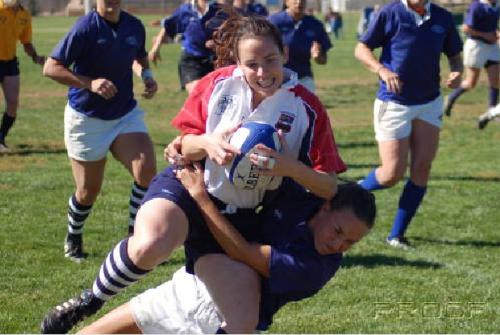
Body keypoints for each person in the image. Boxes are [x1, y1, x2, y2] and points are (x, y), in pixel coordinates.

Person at [40, 13, 346, 334]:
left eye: (270, 60)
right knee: (151, 243)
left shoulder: (306, 108)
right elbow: (179, 147)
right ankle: (91, 299)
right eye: (251, 64)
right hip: (188, 184)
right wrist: (208, 143)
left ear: (284, 52)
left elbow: (329, 187)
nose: (261, 72)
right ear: (237, 63)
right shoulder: (218, 85)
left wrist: (288, 167)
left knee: (243, 324)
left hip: (237, 217)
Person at [77, 176, 376, 334]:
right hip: (188, 289)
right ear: (325, 207)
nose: (339, 245)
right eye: (338, 232)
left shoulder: (315, 267)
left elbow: (242, 252)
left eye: (350, 242)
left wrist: (200, 198)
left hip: (227, 323)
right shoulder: (302, 201)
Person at [42, 0, 158, 262]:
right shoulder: (85, 27)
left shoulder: (134, 25)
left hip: (124, 114)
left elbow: (138, 56)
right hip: (86, 118)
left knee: (146, 171)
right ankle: (74, 235)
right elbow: (50, 67)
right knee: (88, 191)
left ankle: (134, 236)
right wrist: (89, 83)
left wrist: (147, 75)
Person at [354, 0, 463, 249]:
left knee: (422, 168)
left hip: (429, 101)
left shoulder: (443, 17)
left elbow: (455, 57)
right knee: (391, 174)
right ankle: (349, 191)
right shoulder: (390, 13)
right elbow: (361, 48)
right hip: (394, 103)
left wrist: (457, 73)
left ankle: (396, 235)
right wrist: (382, 70)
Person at [148, 0, 232, 93]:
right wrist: (155, 48)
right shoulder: (185, 10)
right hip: (191, 59)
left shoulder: (220, 10)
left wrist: (218, 43)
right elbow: (168, 26)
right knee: (197, 92)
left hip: (215, 60)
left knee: (215, 94)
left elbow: (233, 34)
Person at [443, 0, 499, 129]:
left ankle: (491, 112)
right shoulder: (477, 5)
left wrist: (496, 34)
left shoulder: (496, 5)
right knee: (471, 83)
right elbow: (466, 28)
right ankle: (451, 98)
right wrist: (486, 35)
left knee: (495, 81)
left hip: (491, 47)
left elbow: (491, 26)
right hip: (476, 46)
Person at [0, 0, 45, 153]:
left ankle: (1, 138)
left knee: (12, 104)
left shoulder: (24, 15)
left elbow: (26, 42)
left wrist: (36, 57)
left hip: (9, 63)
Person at [269, 0, 332, 92]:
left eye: (302, 0)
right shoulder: (273, 22)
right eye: (295, 0)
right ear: (286, 2)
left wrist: (317, 56)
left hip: (303, 78)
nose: (299, 2)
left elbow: (323, 60)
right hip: (277, 79)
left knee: (308, 105)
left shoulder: (315, 25)